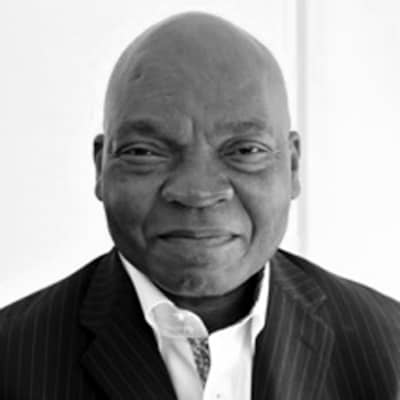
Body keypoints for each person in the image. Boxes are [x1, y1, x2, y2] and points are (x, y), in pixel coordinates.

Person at [0, 12, 399, 400]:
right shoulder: (13, 360)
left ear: (292, 166)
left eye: (245, 150)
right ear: (101, 168)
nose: (197, 191)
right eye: (144, 152)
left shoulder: (389, 350)